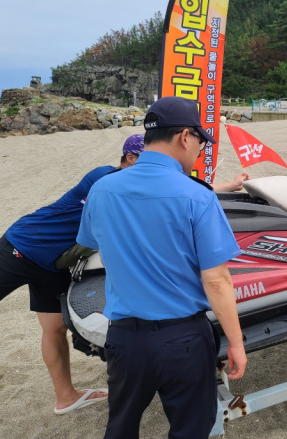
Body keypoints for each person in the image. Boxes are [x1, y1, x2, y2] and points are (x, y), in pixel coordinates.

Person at [0, 132, 248, 416]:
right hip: (25, 245)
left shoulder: (133, 180)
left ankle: (65, 396)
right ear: (130, 158)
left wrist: (226, 186)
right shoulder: (103, 178)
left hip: (56, 262)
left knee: (54, 329)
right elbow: (167, 187)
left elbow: (172, 186)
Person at [77, 96, 247, 439]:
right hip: (182, 338)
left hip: (123, 339)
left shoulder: (102, 188)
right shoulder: (197, 195)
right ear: (185, 136)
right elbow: (216, 279)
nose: (200, 150)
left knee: (121, 426)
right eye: (200, 141)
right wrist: (236, 342)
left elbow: (98, 245)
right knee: (190, 428)